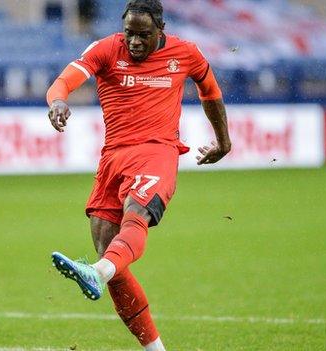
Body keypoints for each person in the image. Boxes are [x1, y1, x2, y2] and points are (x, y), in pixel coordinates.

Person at [47, 1, 231, 350]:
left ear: (160, 30)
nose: (134, 41)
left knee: (135, 217)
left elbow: (210, 91)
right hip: (113, 159)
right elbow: (63, 82)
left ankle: (96, 272)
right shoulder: (105, 49)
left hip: (157, 151)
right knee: (110, 253)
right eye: (129, 32)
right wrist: (56, 101)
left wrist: (224, 141)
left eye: (143, 35)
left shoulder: (186, 53)